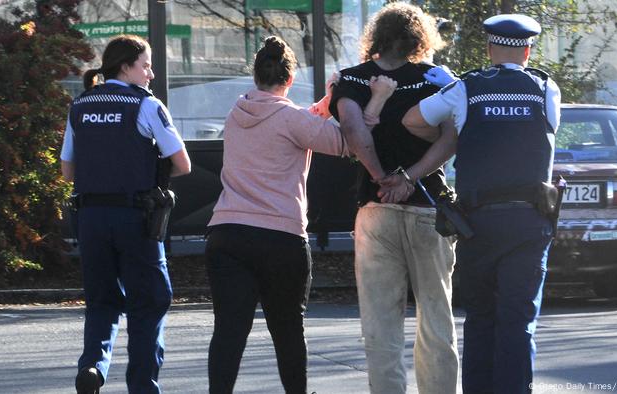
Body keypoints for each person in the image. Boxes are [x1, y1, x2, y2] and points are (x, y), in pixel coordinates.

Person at [204, 36, 396, 394]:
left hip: (227, 233)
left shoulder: (236, 113)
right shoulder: (292, 120)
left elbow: (289, 121)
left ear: (255, 75)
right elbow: (348, 142)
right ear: (289, 80)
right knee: (288, 330)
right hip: (280, 238)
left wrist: (324, 102)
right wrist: (377, 100)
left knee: (229, 330)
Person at [403, 14, 562, 394]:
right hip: (529, 222)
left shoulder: (466, 88)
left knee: (480, 317)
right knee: (518, 319)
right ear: (527, 50)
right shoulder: (545, 88)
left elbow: (412, 120)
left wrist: (455, 127)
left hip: (479, 225)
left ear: (490, 48)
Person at [328, 3, 460, 393]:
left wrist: (381, 178)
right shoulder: (433, 79)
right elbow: (451, 138)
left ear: (376, 38)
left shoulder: (352, 79)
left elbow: (354, 130)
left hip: (375, 211)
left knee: (380, 323)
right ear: (420, 39)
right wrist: (409, 177)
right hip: (428, 210)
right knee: (436, 320)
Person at [60, 35, 192, 393]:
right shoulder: (146, 105)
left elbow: (67, 173)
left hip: (90, 219)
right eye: (146, 65)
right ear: (125, 66)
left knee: (101, 300)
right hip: (136, 218)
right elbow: (183, 163)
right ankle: (142, 387)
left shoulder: (80, 105)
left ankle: (92, 368)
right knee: (149, 303)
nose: (150, 73)